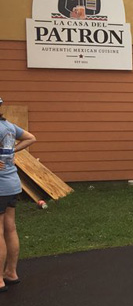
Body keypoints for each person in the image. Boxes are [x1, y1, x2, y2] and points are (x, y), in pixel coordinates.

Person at [0, 96, 36, 293]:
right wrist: (11, 152)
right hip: (12, 183)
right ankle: (11, 273)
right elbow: (31, 138)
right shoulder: (9, 126)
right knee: (10, 228)